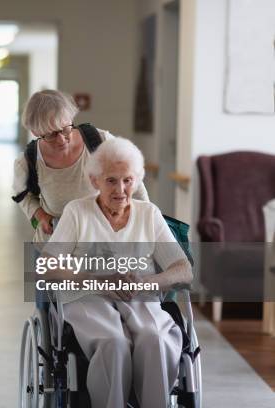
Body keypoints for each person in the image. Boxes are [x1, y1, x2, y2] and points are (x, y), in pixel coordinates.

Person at [42, 137, 193, 408]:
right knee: (113, 342)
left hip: (140, 294)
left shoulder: (149, 213)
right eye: (111, 180)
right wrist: (98, 281)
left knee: (154, 338)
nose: (121, 189)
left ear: (137, 180)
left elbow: (183, 269)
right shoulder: (77, 212)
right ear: (94, 181)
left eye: (128, 180)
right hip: (86, 295)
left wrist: (147, 282)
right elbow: (48, 264)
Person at [12, 90, 149, 244]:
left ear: (71, 118)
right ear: (35, 132)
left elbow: (133, 183)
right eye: (50, 135)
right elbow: (23, 195)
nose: (61, 140)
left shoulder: (101, 142)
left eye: (65, 129)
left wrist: (148, 223)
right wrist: (40, 215)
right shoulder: (27, 161)